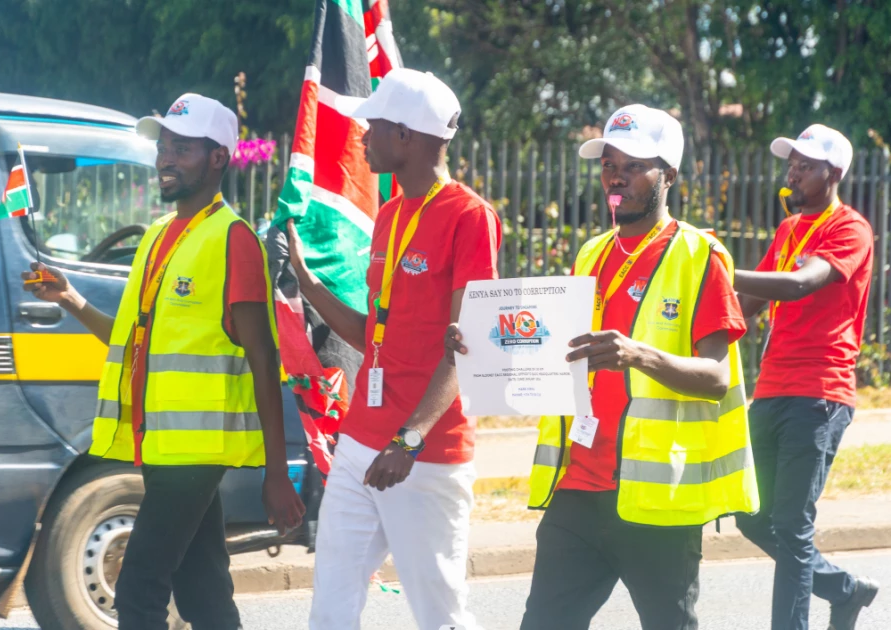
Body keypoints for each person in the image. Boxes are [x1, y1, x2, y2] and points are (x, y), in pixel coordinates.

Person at [447, 104, 760, 630]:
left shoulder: (698, 256)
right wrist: (483, 344)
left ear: (670, 175)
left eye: (634, 164)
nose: (616, 174)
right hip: (576, 493)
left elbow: (717, 377)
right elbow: (555, 354)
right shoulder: (591, 254)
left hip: (655, 504)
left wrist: (639, 354)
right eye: (608, 162)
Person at [22, 93, 305, 630]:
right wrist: (70, 299)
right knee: (204, 596)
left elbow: (264, 363)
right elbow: (132, 341)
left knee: (139, 590)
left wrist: (276, 474)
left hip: (195, 454)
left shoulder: (233, 239)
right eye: (163, 147)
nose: (165, 159)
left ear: (218, 158)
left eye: (182, 148)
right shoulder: (156, 237)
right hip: (161, 448)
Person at [286, 68, 500, 630]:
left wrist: (409, 438)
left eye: (373, 126)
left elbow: (469, 344)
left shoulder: (470, 216)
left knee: (440, 615)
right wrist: (309, 284)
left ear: (407, 135)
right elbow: (374, 334)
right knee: (331, 606)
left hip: (424, 451)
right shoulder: (388, 215)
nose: (362, 136)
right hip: (361, 440)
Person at [733, 124, 879, 630]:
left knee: (792, 526)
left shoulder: (851, 229)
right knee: (751, 515)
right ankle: (845, 590)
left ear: (832, 174)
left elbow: (798, 284)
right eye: (791, 162)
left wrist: (718, 267)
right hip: (771, 390)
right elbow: (749, 304)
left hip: (820, 394)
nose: (793, 172)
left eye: (805, 165)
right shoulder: (788, 229)